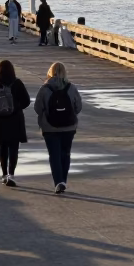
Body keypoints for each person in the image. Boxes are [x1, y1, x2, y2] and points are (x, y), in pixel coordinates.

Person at [34, 61, 82, 193]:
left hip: (50, 127)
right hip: (69, 127)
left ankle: (58, 181)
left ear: (50, 72)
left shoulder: (44, 89)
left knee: (54, 155)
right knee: (65, 154)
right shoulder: (71, 87)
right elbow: (78, 107)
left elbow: (38, 108)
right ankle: (64, 181)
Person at [0, 59, 31, 187]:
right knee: (14, 148)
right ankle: (11, 174)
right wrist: (16, 108)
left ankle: (4, 174)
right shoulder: (17, 83)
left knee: (2, 148)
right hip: (15, 120)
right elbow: (27, 101)